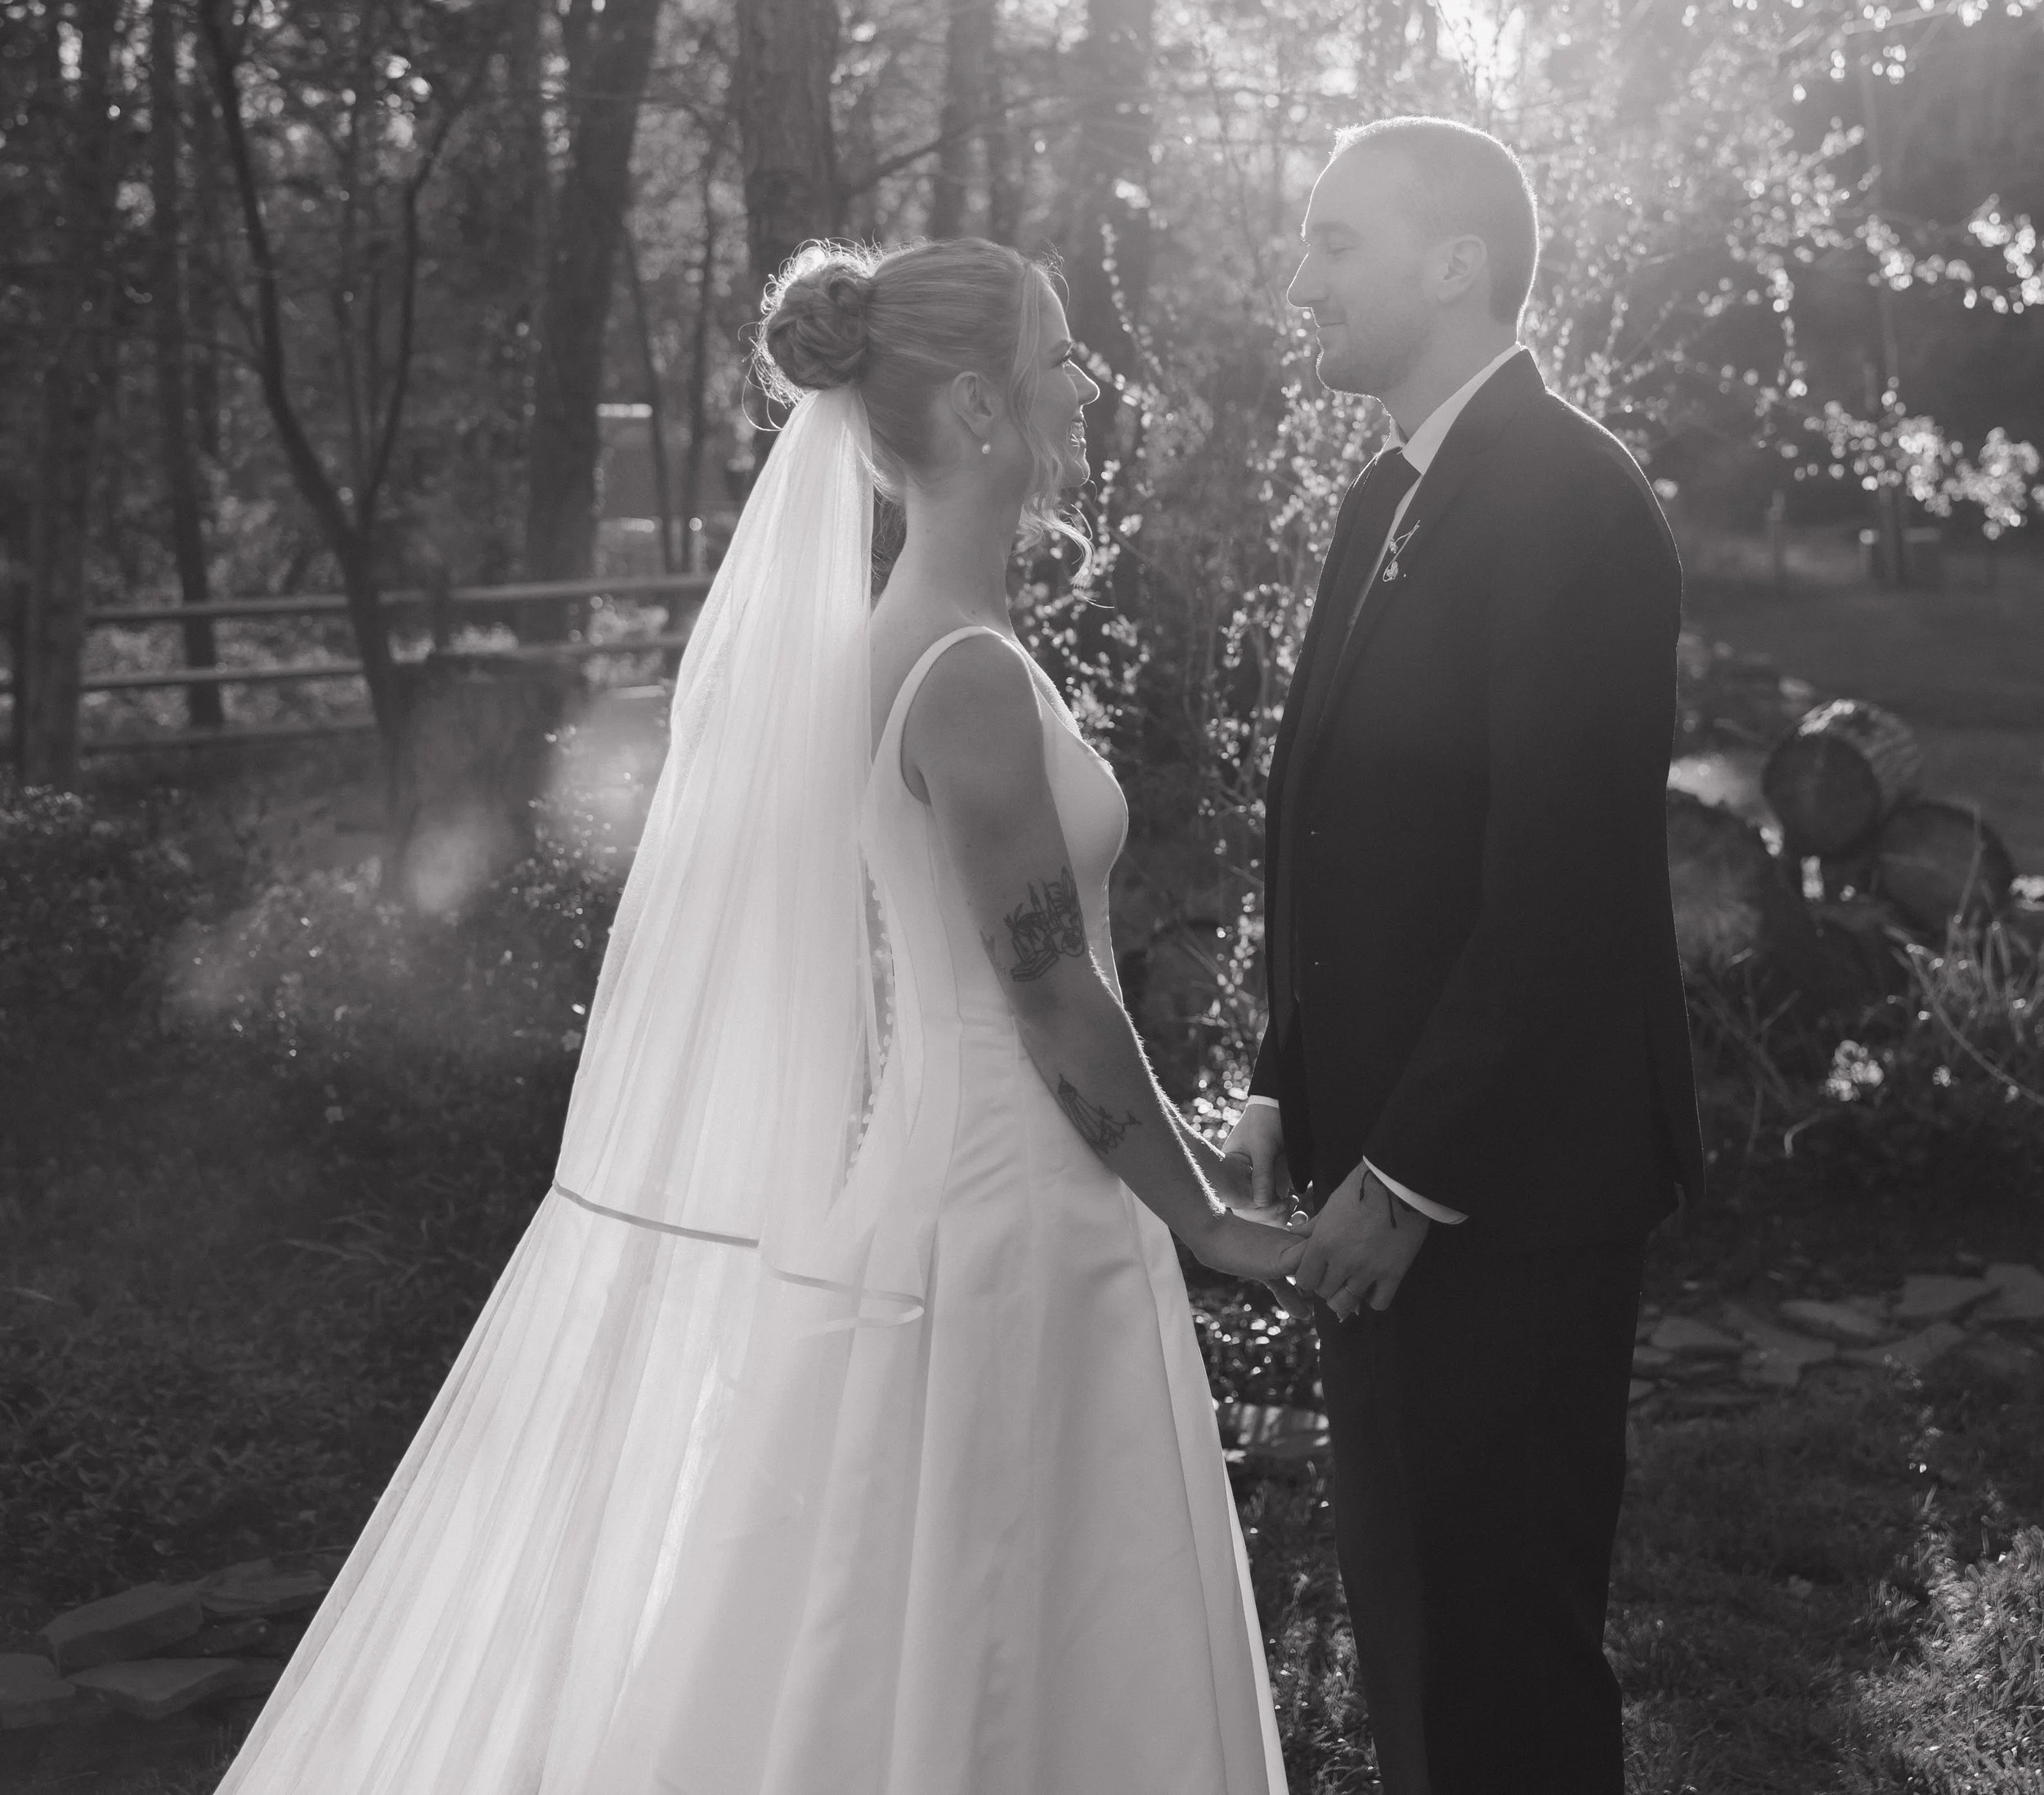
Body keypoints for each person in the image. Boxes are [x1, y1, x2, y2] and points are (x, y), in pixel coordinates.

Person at [217, 235, 1298, 1795]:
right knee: (999, 1630)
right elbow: (1053, 995)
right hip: (1011, 1214)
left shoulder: (921, 647)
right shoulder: (967, 677)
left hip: (982, 1187)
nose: (1091, 386)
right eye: (1065, 356)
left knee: (932, 1628)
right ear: (987, 407)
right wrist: (1209, 1215)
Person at [1219, 117, 1704, 1795]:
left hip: (1503, 1186)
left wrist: (1412, 1170)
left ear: (1454, 264)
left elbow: (1558, 883)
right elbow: (1336, 819)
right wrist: (1285, 1079)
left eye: (1332, 242)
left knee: (1495, 1652)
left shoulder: (1570, 500)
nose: (1302, 281)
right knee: (1415, 1637)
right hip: (1376, 1160)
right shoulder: (1386, 495)